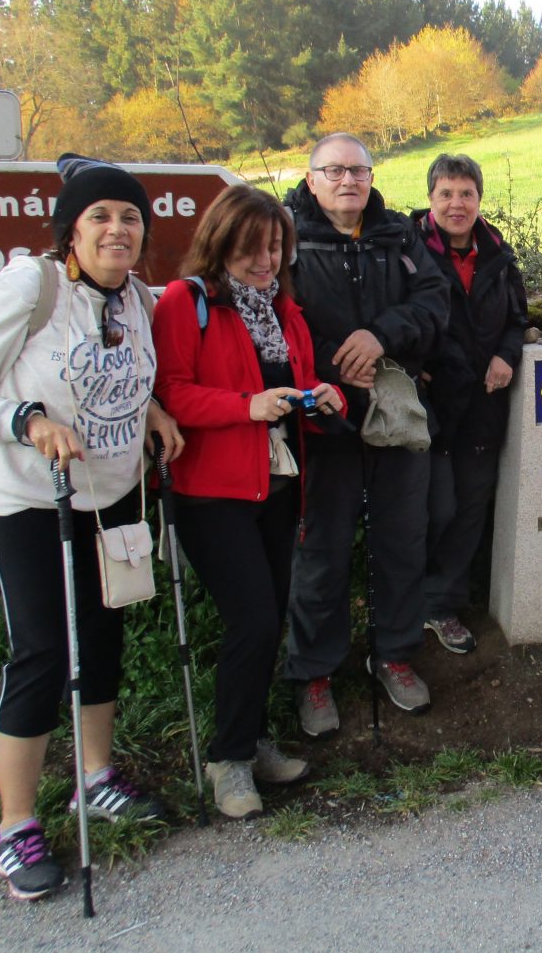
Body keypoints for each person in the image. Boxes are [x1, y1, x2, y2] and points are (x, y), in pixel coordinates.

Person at [0, 153, 183, 901]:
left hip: (112, 494)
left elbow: (112, 377)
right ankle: (16, 826)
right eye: (100, 216)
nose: (117, 229)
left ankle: (94, 779)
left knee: (102, 639)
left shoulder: (136, 298)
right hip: (32, 500)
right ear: (70, 230)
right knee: (41, 652)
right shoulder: (26, 289)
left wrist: (153, 410)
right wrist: (26, 420)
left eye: (130, 217)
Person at [152, 185, 346, 817]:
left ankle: (252, 740)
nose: (266, 261)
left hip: (279, 485)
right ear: (221, 244)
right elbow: (170, 392)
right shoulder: (186, 301)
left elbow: (296, 381)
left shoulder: (284, 309)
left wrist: (323, 395)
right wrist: (246, 407)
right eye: (251, 249)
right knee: (254, 620)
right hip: (212, 492)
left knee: (267, 620)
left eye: (276, 247)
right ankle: (229, 761)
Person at [283, 132, 447, 733]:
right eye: (334, 170)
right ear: (312, 179)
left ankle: (394, 654)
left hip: (396, 414)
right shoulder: (288, 240)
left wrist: (381, 336)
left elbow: (434, 301)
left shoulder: (398, 235)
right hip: (323, 419)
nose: (348, 180)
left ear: (372, 177)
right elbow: (276, 317)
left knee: (403, 540)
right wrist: (336, 361)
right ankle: (314, 674)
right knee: (321, 551)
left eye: (358, 170)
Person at [410, 154, 527, 655]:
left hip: (483, 404)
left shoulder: (497, 253)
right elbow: (391, 316)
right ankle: (408, 601)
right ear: (431, 198)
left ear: (479, 199)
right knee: (437, 508)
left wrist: (506, 354)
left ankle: (442, 607)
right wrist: (413, 362)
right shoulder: (407, 251)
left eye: (466, 194)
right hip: (428, 407)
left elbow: (518, 319)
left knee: (471, 509)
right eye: (446, 194)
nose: (456, 204)